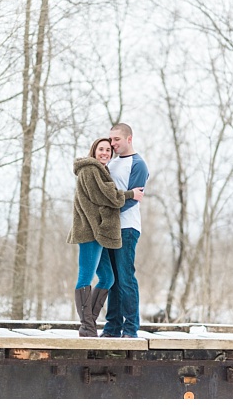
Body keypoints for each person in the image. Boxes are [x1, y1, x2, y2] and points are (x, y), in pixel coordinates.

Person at [67, 138, 144, 337]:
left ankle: (89, 321)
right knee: (85, 275)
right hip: (89, 231)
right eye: (101, 149)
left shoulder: (102, 170)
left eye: (108, 150)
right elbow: (105, 196)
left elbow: (106, 194)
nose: (105, 153)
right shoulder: (89, 170)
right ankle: (86, 326)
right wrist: (130, 194)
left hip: (99, 233)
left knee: (108, 277)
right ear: (94, 150)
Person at [101, 123, 149, 338]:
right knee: (112, 280)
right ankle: (111, 327)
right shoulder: (110, 163)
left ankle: (130, 329)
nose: (112, 144)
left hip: (127, 228)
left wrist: (107, 209)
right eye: (111, 140)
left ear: (129, 138)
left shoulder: (138, 164)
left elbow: (131, 198)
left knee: (126, 279)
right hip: (109, 228)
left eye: (117, 140)